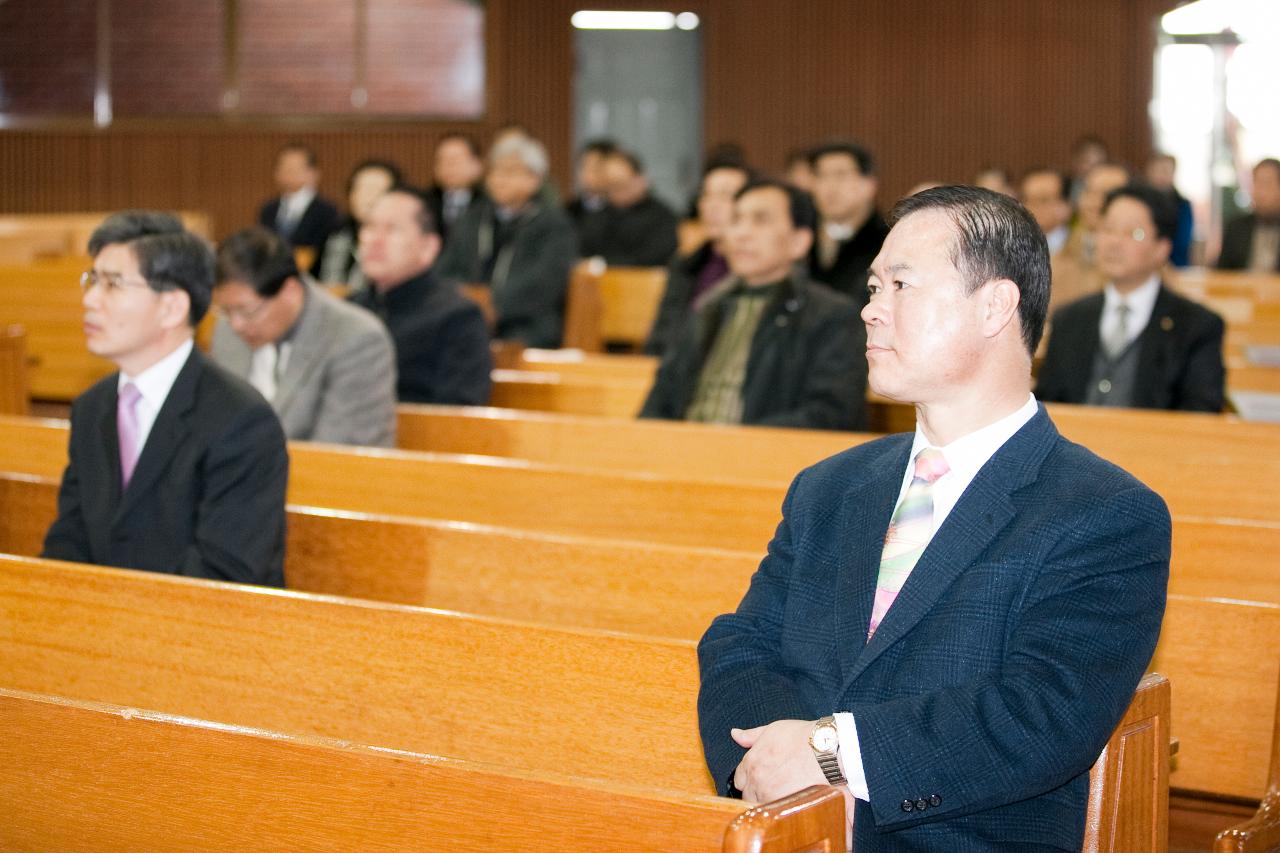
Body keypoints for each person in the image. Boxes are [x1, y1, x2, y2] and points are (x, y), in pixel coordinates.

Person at [698, 186, 1169, 852]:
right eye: (871, 286)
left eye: (900, 285)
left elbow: (1038, 715)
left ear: (995, 305)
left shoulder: (1105, 512)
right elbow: (740, 642)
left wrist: (830, 751)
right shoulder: (830, 486)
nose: (870, 310)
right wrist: (784, 774)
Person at [42, 211, 288, 587]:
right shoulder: (92, 407)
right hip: (101, 624)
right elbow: (70, 538)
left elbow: (224, 573)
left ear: (172, 307)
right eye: (92, 280)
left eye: (112, 284)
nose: (90, 299)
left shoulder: (241, 420)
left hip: (200, 631)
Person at [640, 178, 866, 431]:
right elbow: (660, 401)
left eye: (760, 220)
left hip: (769, 460)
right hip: (686, 455)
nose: (742, 233)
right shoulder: (707, 307)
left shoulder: (832, 316)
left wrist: (734, 443)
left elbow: (830, 415)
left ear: (799, 241)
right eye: (736, 220)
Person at [1037, 183, 1225, 412]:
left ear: (1162, 248)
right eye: (1107, 229)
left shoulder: (1197, 326)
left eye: (1133, 233)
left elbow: (1200, 415)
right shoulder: (1070, 318)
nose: (1114, 242)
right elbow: (1048, 404)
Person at [212, 227, 398, 447]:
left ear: (290, 290)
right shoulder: (227, 330)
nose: (236, 324)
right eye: (226, 311)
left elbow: (336, 455)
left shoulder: (356, 339)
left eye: (247, 311)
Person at [349, 187, 492, 405]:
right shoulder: (349, 309)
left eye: (392, 229)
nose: (375, 240)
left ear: (428, 247)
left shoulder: (458, 317)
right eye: (369, 227)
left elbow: (458, 418)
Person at [436, 134, 577, 348]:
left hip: (527, 324)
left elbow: (545, 282)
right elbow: (446, 270)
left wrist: (492, 304)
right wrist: (468, 301)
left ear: (535, 179)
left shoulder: (553, 225)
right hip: (468, 318)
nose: (499, 179)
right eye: (495, 171)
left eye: (510, 172)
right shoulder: (473, 218)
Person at [645, 161, 752, 357]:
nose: (712, 206)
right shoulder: (686, 264)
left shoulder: (757, 271)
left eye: (724, 196)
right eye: (706, 195)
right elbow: (661, 336)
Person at [806, 141, 889, 307]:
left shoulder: (887, 240)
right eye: (821, 176)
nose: (830, 187)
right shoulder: (799, 236)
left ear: (869, 185)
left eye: (840, 175)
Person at [579, 149, 679, 267]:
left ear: (641, 180)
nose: (615, 192)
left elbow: (650, 260)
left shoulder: (663, 217)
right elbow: (583, 252)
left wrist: (601, 264)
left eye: (621, 185)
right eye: (609, 186)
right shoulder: (599, 216)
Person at [318, 158, 403, 292]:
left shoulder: (401, 240)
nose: (368, 197)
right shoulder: (334, 232)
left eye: (377, 190)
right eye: (361, 188)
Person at [257, 142, 340, 275]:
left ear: (313, 173)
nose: (288, 172)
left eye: (295, 168)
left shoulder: (327, 211)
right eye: (284, 167)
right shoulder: (268, 210)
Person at [1019, 167, 1094, 314]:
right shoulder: (1011, 247)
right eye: (1027, 199)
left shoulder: (1084, 249)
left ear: (1066, 206)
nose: (1031, 208)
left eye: (1043, 200)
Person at [1217, 157, 1280, 272]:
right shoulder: (1236, 227)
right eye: (1257, 183)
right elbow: (1221, 274)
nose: (1261, 193)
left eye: (1267, 184)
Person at [425, 133, 487, 241]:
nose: (449, 166)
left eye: (456, 160)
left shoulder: (489, 202)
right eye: (442, 160)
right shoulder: (425, 202)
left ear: (477, 165)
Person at [1144, 153, 1194, 267]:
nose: (1162, 176)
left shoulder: (1183, 205)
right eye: (1158, 170)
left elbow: (1183, 241)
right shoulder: (1140, 204)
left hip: (1176, 266)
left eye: (1166, 171)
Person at [565, 138, 618, 230]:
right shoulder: (569, 211)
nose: (586, 174)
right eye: (583, 166)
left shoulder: (623, 210)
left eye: (595, 168)